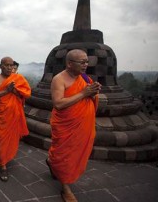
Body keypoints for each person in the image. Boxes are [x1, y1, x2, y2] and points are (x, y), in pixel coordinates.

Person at [46, 49, 101, 202]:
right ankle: (65, 188)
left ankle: (51, 162)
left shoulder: (84, 78)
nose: (85, 65)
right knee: (64, 154)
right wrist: (84, 93)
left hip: (82, 125)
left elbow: (87, 95)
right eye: (81, 62)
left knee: (74, 153)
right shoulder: (59, 79)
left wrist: (93, 92)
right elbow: (58, 104)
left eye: (87, 62)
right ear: (69, 64)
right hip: (66, 125)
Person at [0, 57, 31, 182]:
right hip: (0, 116)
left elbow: (27, 94)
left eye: (11, 65)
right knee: (0, 140)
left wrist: (15, 91)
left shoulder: (18, 79)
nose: (9, 68)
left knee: (11, 141)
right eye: (6, 65)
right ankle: (3, 165)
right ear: (0, 66)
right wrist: (6, 91)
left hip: (14, 116)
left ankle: (5, 158)